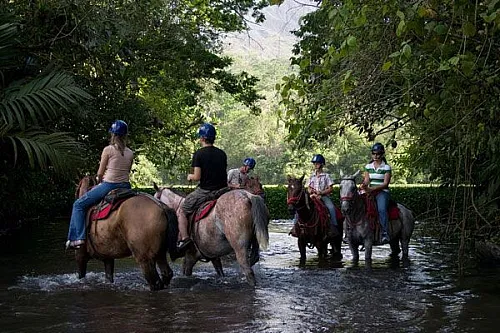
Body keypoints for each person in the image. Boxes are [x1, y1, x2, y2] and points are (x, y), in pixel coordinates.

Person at [66, 120, 134, 249]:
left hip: (109, 185)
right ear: (125, 135)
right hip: (125, 186)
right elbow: (127, 171)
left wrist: (98, 180)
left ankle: (78, 238)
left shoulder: (108, 150)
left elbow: (100, 173)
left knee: (78, 205)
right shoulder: (130, 152)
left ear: (112, 135)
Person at [177, 123, 228, 252]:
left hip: (206, 191)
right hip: (223, 190)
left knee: (182, 211)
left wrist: (190, 176)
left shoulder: (199, 154)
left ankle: (184, 239)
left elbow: (197, 176)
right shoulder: (222, 154)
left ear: (202, 138)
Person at [360, 142, 392, 244]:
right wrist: (363, 185)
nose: (375, 156)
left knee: (381, 209)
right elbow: (367, 180)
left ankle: (385, 233)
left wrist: (372, 189)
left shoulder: (386, 167)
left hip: (382, 192)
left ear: (382, 154)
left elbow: (385, 184)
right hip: (370, 191)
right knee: (356, 205)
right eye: (374, 154)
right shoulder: (368, 166)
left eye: (378, 154)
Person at [307, 154, 338, 236]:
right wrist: (311, 191)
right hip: (313, 196)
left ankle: (333, 226)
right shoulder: (311, 176)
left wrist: (321, 192)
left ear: (322, 164)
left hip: (323, 197)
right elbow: (308, 188)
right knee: (301, 207)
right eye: (314, 163)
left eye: (317, 163)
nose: (315, 165)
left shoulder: (326, 176)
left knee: (331, 208)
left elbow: (330, 188)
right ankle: (296, 226)